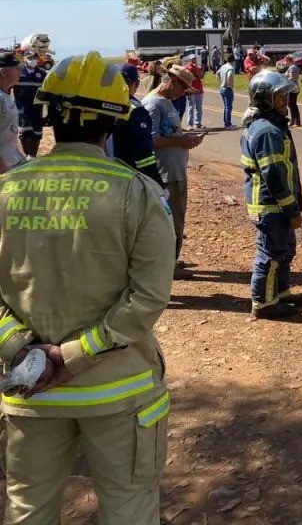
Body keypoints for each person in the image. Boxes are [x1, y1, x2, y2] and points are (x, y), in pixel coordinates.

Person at [0, 51, 175, 525]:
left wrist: (23, 349)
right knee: (129, 508)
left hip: (29, 390)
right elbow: (148, 297)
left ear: (50, 114)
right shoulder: (137, 193)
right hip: (120, 392)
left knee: (27, 511)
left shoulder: (7, 189)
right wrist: (73, 354)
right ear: (115, 121)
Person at [240, 70, 302, 319]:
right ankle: (264, 303)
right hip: (271, 206)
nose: (285, 102)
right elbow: (274, 175)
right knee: (270, 254)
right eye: (280, 97)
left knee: (284, 251)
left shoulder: (273, 126)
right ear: (266, 99)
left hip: (278, 205)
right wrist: (291, 209)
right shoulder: (267, 131)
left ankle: (280, 293)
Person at [142, 65, 203, 280]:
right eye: (182, 87)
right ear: (171, 81)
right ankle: (168, 264)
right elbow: (152, 139)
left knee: (178, 219)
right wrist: (183, 141)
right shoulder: (153, 104)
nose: (183, 93)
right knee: (170, 220)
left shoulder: (166, 102)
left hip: (175, 171)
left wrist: (185, 138)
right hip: (165, 173)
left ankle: (172, 259)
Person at [110, 63, 165, 188]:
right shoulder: (135, 111)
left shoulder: (103, 107)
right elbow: (144, 156)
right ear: (136, 84)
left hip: (108, 178)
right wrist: (158, 186)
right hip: (131, 181)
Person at [13, 49, 47, 159]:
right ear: (24, 59)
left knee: (37, 135)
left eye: (34, 58)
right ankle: (29, 155)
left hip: (37, 110)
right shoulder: (19, 72)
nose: (33, 60)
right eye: (30, 58)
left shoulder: (41, 73)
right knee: (26, 133)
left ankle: (33, 155)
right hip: (22, 110)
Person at [0, 52, 25, 174]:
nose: (20, 73)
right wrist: (3, 171)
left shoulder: (6, 95)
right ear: (3, 72)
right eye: (16, 69)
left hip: (12, 162)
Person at [217, 54, 236, 128]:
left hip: (222, 88)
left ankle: (226, 122)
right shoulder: (231, 68)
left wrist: (221, 81)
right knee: (229, 107)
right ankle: (228, 124)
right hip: (227, 88)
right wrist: (230, 86)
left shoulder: (223, 66)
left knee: (226, 106)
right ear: (233, 61)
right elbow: (229, 77)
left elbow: (217, 73)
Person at [185, 56, 205, 129]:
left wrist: (197, 68)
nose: (194, 60)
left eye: (195, 59)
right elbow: (188, 77)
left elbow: (201, 76)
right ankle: (190, 124)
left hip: (199, 89)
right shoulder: (187, 67)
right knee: (191, 107)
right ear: (189, 60)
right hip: (191, 90)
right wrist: (194, 78)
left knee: (199, 108)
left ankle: (198, 123)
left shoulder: (198, 67)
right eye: (193, 59)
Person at [286, 57, 302, 127]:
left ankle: (297, 121)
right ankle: (292, 120)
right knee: (290, 104)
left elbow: (292, 78)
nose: (285, 62)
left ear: (288, 60)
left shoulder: (292, 67)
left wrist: (285, 81)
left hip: (293, 88)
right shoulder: (291, 67)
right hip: (290, 88)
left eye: (285, 61)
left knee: (292, 105)